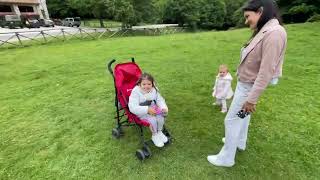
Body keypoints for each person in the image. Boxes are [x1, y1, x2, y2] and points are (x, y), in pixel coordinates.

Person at [207, 0, 287, 167]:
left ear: (260, 11)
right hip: (246, 84)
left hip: (249, 87)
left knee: (231, 120)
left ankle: (226, 158)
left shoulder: (274, 33)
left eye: (247, 16)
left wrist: (251, 99)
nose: (246, 21)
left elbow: (266, 72)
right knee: (242, 118)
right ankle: (239, 142)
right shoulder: (266, 30)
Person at [128, 73, 169, 148]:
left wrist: (163, 107)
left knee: (161, 116)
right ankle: (155, 135)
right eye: (144, 84)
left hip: (153, 107)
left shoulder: (154, 89)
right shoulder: (135, 91)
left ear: (152, 84)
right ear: (139, 84)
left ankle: (159, 132)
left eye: (149, 84)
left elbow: (159, 99)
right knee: (152, 120)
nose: (146, 86)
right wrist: (147, 109)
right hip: (141, 111)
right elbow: (132, 107)